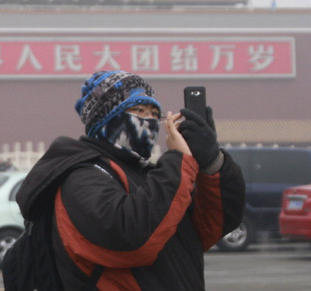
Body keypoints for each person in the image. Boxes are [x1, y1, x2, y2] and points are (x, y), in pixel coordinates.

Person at [15, 70, 245, 290]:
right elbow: (132, 238)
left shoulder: (146, 174)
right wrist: (177, 160)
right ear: (106, 119)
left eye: (155, 114)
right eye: (139, 111)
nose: (150, 121)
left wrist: (211, 161)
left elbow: (212, 225)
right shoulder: (80, 177)